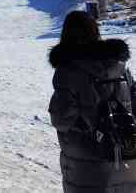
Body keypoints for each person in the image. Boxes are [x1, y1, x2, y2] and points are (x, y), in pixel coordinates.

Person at [49, 11, 136, 192]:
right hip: (127, 157)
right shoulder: (119, 66)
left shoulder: (67, 71)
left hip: (86, 165)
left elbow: (62, 119)